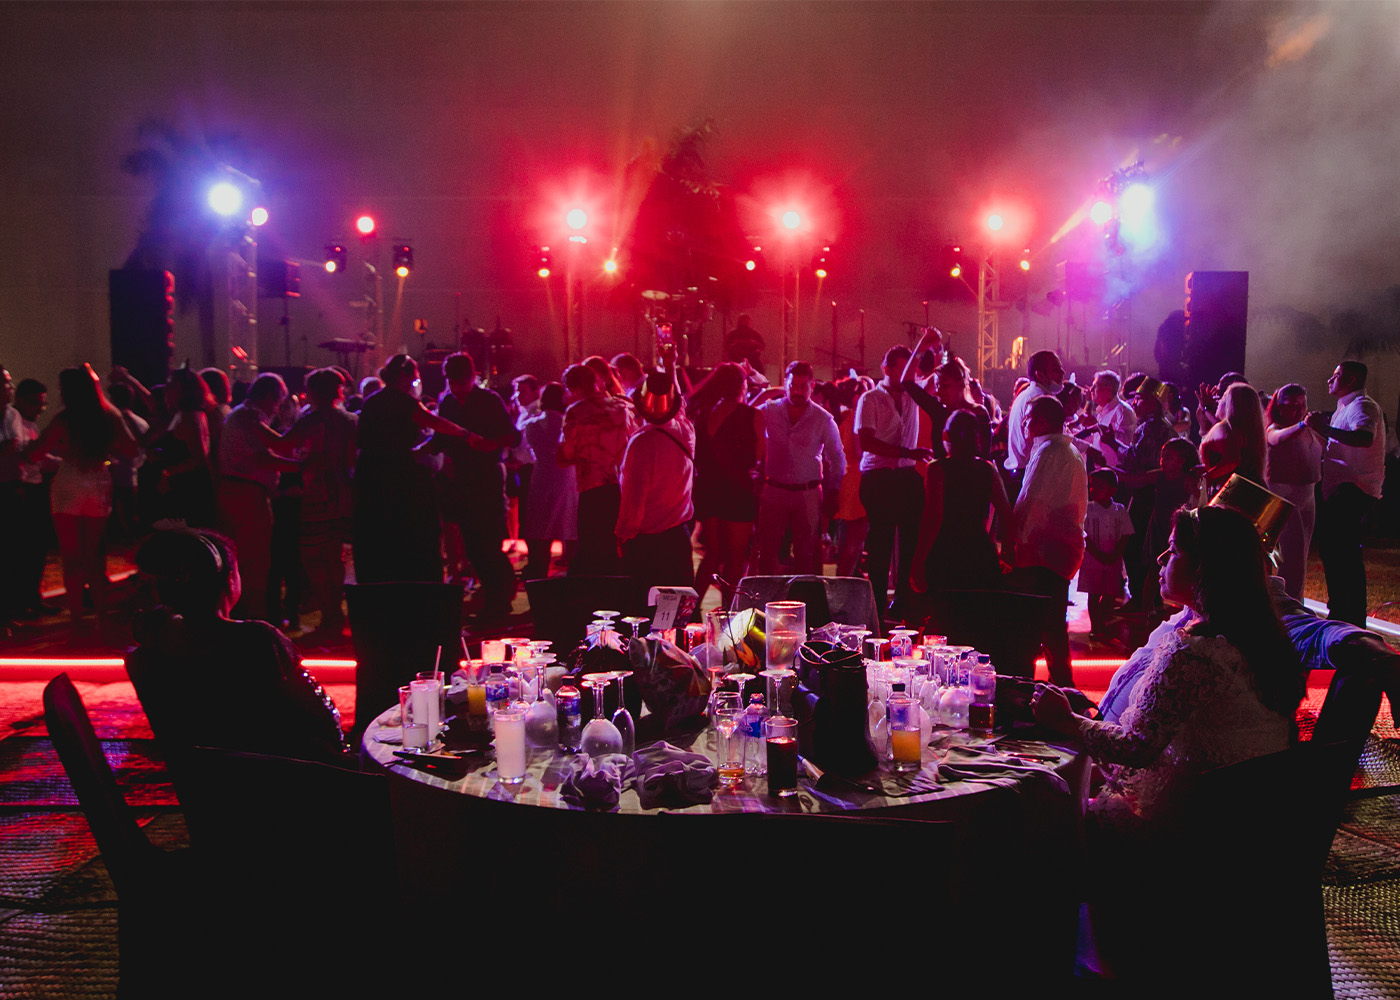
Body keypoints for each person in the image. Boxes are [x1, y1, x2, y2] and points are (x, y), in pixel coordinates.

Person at [1035, 504, 1302, 833]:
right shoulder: (1257, 637)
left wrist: (1064, 719)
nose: (1161, 559)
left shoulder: (1197, 654)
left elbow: (1135, 747)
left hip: (1187, 832)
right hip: (1249, 819)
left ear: (1204, 566)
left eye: (1173, 551)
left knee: (1041, 817)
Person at [131, 527, 347, 765]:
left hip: (201, 779)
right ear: (229, 579)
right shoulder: (257, 639)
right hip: (284, 777)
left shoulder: (146, 652)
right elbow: (322, 721)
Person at [28, 366, 139, 628]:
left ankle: (76, 621)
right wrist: (107, 451)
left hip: (69, 480)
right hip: (98, 480)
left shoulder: (65, 418)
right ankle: (102, 617)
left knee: (70, 556)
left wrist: (42, 449)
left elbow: (36, 452)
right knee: (94, 555)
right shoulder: (108, 415)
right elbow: (132, 448)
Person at [353, 354, 469, 584]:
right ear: (404, 377)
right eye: (415, 379)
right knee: (415, 535)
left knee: (382, 538)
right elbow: (435, 422)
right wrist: (466, 433)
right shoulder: (402, 401)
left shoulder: (372, 402)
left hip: (372, 479)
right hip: (401, 477)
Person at [434, 352, 520, 620]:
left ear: (473, 377)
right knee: (472, 543)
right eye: (452, 383)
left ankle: (498, 598)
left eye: (461, 382)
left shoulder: (489, 400)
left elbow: (513, 436)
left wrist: (493, 443)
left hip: (486, 477)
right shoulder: (447, 402)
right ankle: (499, 591)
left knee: (488, 540)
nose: (457, 388)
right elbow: (441, 439)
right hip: (462, 480)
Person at [1010, 395, 1087, 687]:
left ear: (1041, 422)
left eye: (1027, 418)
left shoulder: (1049, 453)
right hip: (1061, 550)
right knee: (1052, 626)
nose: (1024, 424)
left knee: (1038, 625)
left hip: (1044, 551)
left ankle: (1037, 688)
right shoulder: (1068, 451)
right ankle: (1062, 687)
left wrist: (1016, 542)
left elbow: (1032, 503)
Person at [278, 368, 357, 641]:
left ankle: (328, 615)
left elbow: (283, 444)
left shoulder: (311, 420)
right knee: (335, 558)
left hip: (315, 494)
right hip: (342, 495)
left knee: (314, 558)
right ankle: (335, 615)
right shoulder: (350, 420)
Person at [1307, 360, 1386, 626]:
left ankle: (1350, 615)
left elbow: (1364, 438)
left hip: (1354, 488)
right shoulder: (1345, 407)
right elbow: (1337, 446)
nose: (1330, 380)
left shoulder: (1362, 406)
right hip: (1343, 488)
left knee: (1344, 553)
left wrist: (1324, 428)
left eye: (1336, 375)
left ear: (1350, 380)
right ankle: (1342, 610)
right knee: (1334, 550)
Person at [857, 344, 931, 617]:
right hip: (879, 476)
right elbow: (866, 442)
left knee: (911, 542)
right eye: (900, 369)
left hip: (905, 475)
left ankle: (903, 600)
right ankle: (876, 606)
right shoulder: (871, 398)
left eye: (908, 369)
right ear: (885, 369)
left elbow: (932, 375)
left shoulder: (912, 394)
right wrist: (906, 452)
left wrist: (927, 345)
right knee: (882, 544)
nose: (905, 375)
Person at [754, 361, 846, 576]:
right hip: (774, 489)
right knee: (767, 550)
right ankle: (765, 593)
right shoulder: (769, 410)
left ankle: (805, 594)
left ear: (812, 386)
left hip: (808, 492)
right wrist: (766, 393)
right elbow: (745, 415)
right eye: (793, 385)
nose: (797, 391)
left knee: (807, 553)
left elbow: (837, 457)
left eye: (803, 386)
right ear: (784, 385)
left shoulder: (822, 419)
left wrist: (834, 490)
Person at [616, 351, 697, 588]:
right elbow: (676, 401)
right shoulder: (685, 431)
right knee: (677, 604)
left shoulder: (641, 443)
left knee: (646, 604)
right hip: (679, 537)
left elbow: (634, 497)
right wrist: (670, 365)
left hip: (648, 543)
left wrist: (623, 535)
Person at [911, 409, 1013, 595]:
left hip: (946, 551)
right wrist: (1006, 551)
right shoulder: (987, 469)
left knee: (947, 607)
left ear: (947, 436)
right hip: (979, 550)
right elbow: (1006, 514)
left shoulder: (937, 469)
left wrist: (918, 561)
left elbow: (934, 519)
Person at [1098, 375, 1178, 608]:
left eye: (1139, 398)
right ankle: (1148, 599)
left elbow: (1135, 460)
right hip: (1155, 493)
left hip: (1145, 493)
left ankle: (1141, 600)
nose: (1135, 403)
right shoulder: (1163, 425)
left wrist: (1112, 445)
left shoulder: (1151, 427)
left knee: (1135, 546)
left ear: (1153, 401)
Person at [689, 362, 764, 608]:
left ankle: (690, 610)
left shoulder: (703, 413)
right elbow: (759, 455)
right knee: (735, 557)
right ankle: (730, 612)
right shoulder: (751, 415)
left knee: (712, 553)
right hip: (737, 489)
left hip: (708, 488)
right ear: (742, 386)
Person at [558, 362, 637, 576]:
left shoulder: (576, 412)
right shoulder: (622, 407)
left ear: (574, 389)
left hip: (592, 489)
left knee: (592, 550)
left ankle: (594, 594)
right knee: (617, 549)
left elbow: (565, 455)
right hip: (621, 488)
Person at [1263, 384, 1324, 601]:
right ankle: (1286, 602)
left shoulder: (1308, 430)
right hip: (1283, 494)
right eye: (1292, 406)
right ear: (1280, 407)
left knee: (1302, 554)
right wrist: (1302, 424)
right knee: (1291, 554)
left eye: (1302, 405)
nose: (1299, 410)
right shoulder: (1275, 428)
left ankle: (1295, 600)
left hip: (1308, 493)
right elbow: (1276, 438)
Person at [900, 329, 992, 459]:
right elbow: (907, 382)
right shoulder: (938, 409)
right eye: (938, 386)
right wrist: (922, 346)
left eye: (945, 386)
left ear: (960, 384)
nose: (939, 391)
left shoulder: (978, 412)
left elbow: (984, 456)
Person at [520, 383, 577, 581]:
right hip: (566, 477)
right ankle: (573, 579)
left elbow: (523, 453)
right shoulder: (568, 423)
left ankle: (538, 578)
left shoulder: (532, 424)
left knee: (540, 532)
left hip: (542, 477)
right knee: (570, 529)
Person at [148, 367, 216, 528]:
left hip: (188, 488)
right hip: (180, 485)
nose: (167, 389)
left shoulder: (190, 416)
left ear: (185, 389)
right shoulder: (181, 414)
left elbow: (198, 457)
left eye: (172, 385)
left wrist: (167, 472)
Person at [1002, 349, 1065, 497]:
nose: (1062, 373)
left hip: (1020, 474)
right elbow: (1051, 442)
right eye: (1056, 369)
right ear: (1039, 374)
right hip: (1031, 478)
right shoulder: (1041, 399)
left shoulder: (1026, 395)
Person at [1080, 468, 1134, 639]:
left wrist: (1115, 554)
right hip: (1092, 561)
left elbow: (1125, 535)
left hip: (1113, 561)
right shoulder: (1087, 509)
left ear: (1112, 490)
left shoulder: (1120, 510)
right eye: (1092, 485)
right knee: (1094, 593)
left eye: (1099, 486)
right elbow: (1084, 535)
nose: (1093, 489)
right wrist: (1097, 554)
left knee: (1110, 594)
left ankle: (1100, 620)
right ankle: (1095, 626)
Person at [1199, 381, 1265, 495]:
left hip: (1230, 492)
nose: (1218, 401)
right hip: (1252, 489)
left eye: (1223, 398)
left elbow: (1232, 460)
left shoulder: (1224, 428)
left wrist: (1207, 476)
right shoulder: (1249, 432)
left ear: (1230, 405)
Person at [1071, 370, 1136, 472]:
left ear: (1108, 389)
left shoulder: (1122, 411)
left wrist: (1097, 427)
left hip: (1114, 473)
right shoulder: (1103, 411)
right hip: (1101, 470)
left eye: (1095, 386)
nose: (1091, 389)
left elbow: (1124, 444)